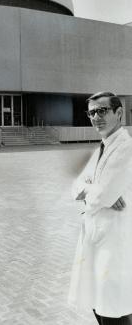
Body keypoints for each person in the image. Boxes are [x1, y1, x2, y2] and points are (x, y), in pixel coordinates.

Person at [68, 91, 132, 325]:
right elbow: (75, 187)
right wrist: (93, 190)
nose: (96, 117)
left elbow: (104, 194)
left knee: (113, 310)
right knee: (100, 305)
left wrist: (93, 190)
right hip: (96, 237)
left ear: (118, 113)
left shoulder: (126, 148)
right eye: (92, 112)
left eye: (102, 110)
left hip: (115, 240)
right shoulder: (101, 149)